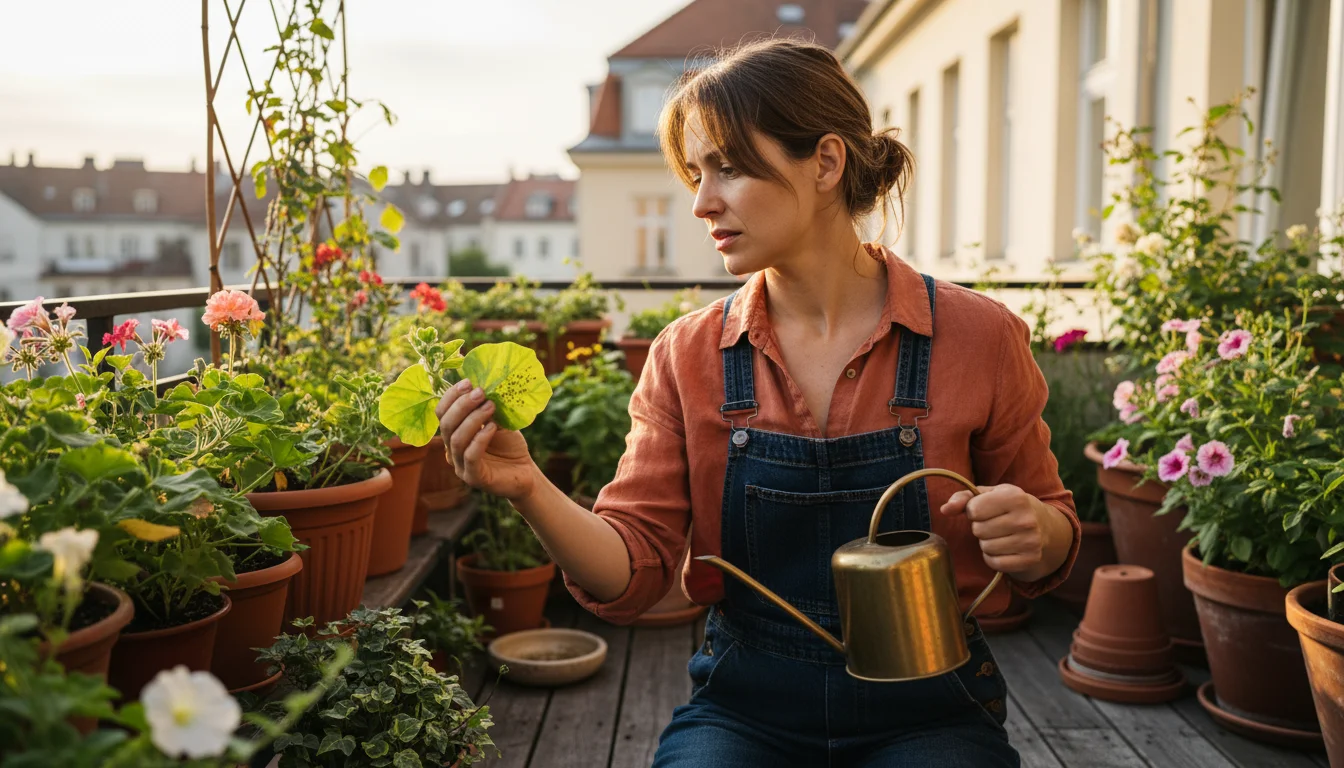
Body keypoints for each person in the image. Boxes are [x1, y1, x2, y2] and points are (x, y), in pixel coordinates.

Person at [436, 37, 1079, 768]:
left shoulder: (979, 336)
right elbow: (632, 572)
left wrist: (1037, 532)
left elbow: (1052, 529)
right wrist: (525, 486)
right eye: (696, 174)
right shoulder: (687, 356)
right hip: (746, 709)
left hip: (931, 709)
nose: (702, 202)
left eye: (729, 168)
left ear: (827, 164)